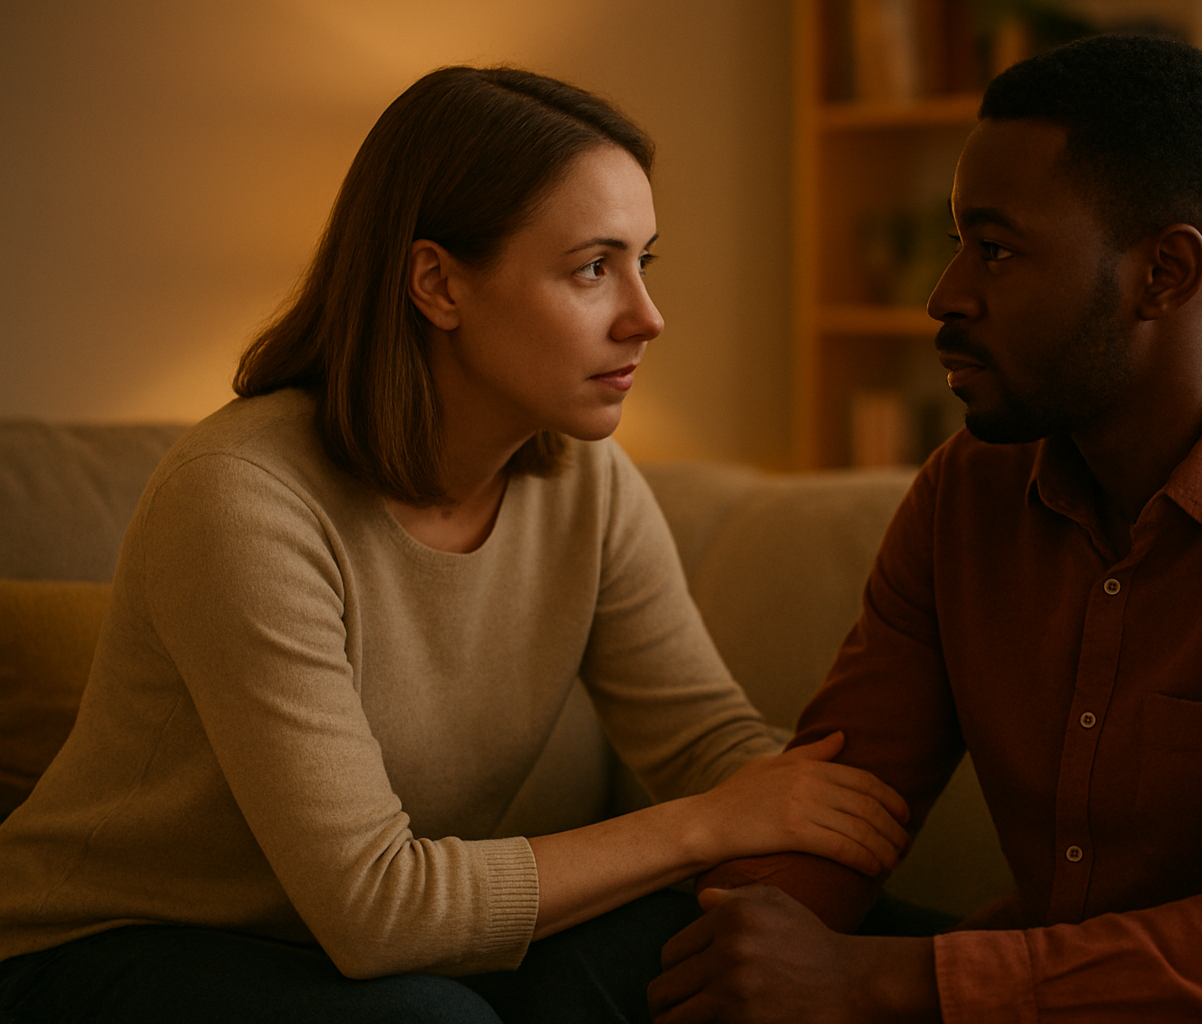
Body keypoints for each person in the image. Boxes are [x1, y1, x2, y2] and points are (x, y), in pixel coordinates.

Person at [0, 66, 913, 1024]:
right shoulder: (242, 499)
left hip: (372, 957)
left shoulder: (586, 483)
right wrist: (706, 826)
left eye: (644, 261)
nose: (647, 316)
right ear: (438, 283)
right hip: (100, 950)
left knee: (770, 952)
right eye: (592, 268)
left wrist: (832, 838)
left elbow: (705, 747)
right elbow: (378, 913)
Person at [646, 34, 1202, 1024]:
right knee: (603, 960)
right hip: (1026, 994)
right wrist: (730, 944)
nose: (945, 296)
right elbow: (840, 801)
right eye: (956, 244)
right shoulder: (967, 493)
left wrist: (876, 984)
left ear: (1164, 273)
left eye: (996, 249)